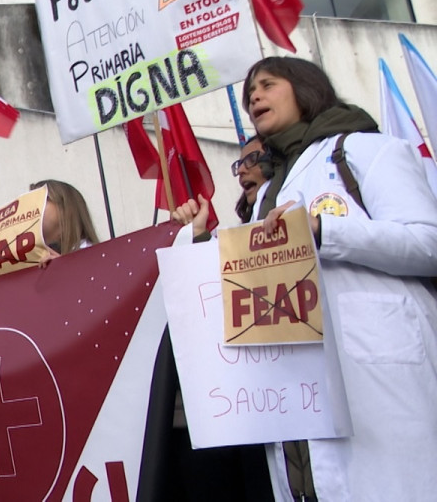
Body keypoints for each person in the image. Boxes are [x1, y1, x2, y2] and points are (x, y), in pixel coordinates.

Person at [182, 56, 437, 501]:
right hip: (293, 397)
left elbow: (428, 244)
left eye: (267, 85)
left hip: (381, 383)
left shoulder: (365, 151)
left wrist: (326, 230)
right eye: (248, 95)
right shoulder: (265, 194)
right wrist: (202, 240)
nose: (254, 97)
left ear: (306, 88)